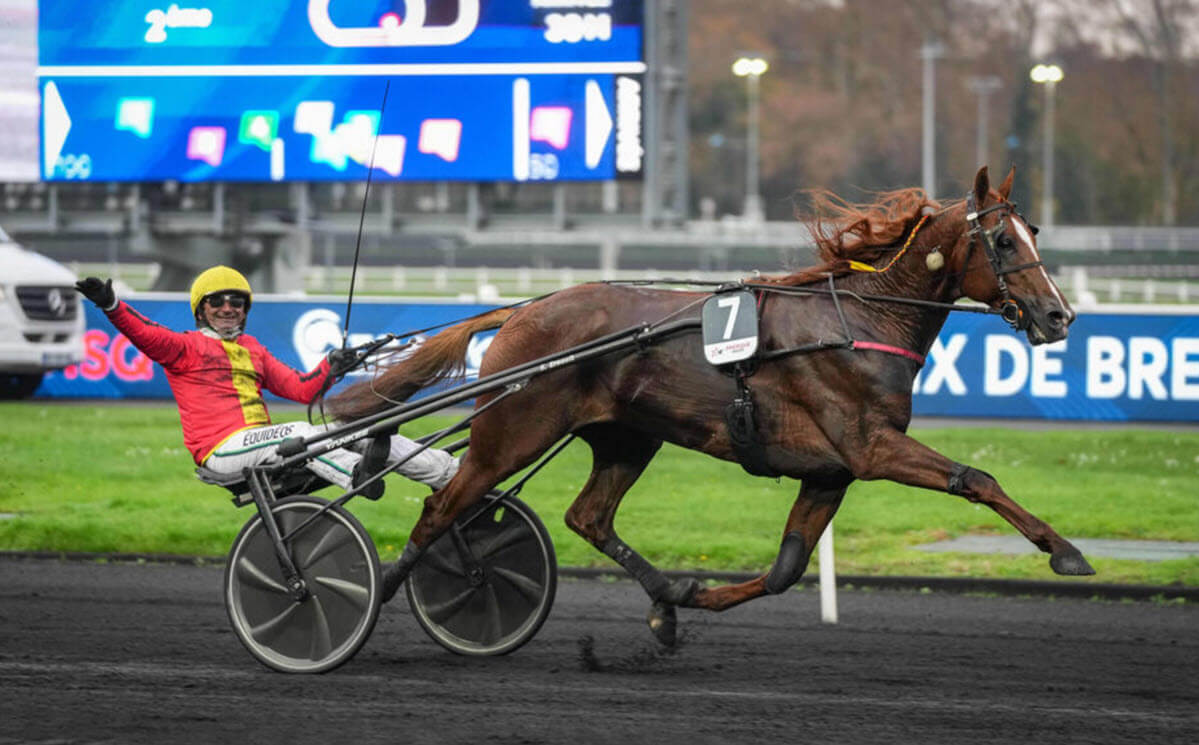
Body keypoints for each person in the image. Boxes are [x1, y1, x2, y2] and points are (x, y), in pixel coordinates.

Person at [74, 266, 457, 492]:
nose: (227, 308)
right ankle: (357, 478)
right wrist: (110, 305)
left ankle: (447, 473)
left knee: (362, 428)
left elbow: (300, 389)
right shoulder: (183, 347)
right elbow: (144, 331)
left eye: (236, 302)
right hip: (220, 452)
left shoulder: (253, 348)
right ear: (201, 310)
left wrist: (331, 365)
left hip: (262, 444)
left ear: (244, 310)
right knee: (299, 434)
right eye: (217, 301)